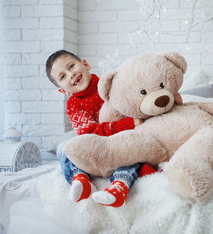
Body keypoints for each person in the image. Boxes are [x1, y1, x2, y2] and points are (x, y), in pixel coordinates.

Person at [46, 50, 157, 208]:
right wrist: (130, 123)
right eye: (62, 76)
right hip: (96, 149)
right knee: (64, 147)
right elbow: (89, 135)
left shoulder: (108, 84)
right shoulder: (73, 105)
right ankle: (80, 179)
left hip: (121, 142)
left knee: (132, 148)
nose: (70, 74)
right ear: (62, 90)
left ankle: (120, 185)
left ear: (85, 64)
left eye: (71, 66)